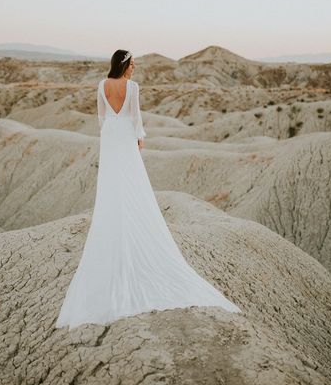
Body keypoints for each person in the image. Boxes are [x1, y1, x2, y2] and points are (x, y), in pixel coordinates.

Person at [55, 49, 241, 329]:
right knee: (133, 185)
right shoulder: (132, 88)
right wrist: (139, 139)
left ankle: (115, 224)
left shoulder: (102, 86)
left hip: (110, 137)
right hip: (126, 137)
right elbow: (136, 117)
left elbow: (101, 118)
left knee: (112, 187)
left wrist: (113, 136)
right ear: (124, 65)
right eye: (133, 65)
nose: (135, 69)